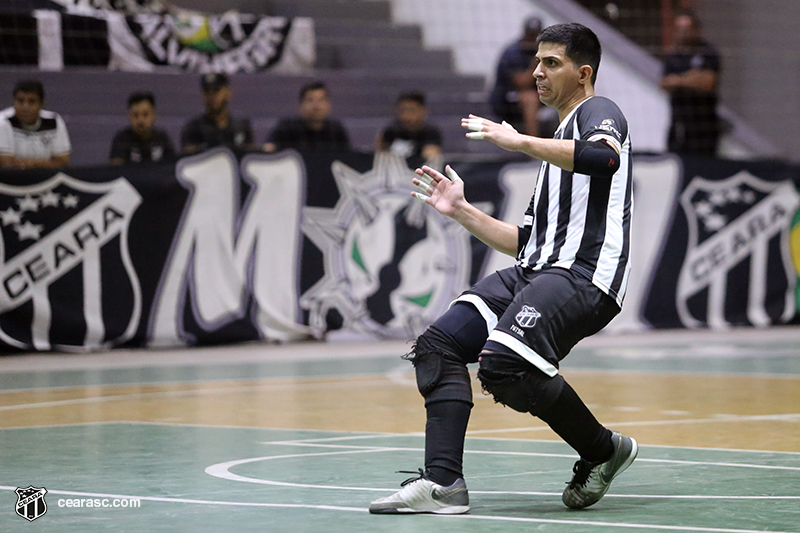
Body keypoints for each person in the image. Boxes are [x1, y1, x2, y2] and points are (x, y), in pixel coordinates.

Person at [370, 23, 636, 515]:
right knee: (437, 346)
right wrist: (460, 210)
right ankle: (443, 483)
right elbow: (526, 243)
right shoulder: (555, 144)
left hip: (582, 276)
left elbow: (605, 158)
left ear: (584, 73)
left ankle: (601, 449)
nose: (537, 71)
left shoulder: (599, 112)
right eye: (536, 62)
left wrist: (519, 142)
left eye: (551, 63)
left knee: (503, 364)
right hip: (537, 270)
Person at [660, 10, 721, 155]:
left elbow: (707, 81)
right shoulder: (673, 56)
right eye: (679, 29)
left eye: (686, 29)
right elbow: (665, 82)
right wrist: (692, 77)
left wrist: (679, 80)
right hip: (679, 123)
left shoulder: (707, 52)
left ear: (695, 30)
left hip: (704, 127)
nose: (683, 33)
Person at [489, 16, 546, 136]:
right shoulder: (512, 52)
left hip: (539, 93)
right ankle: (533, 146)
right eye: (531, 35)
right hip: (508, 97)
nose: (533, 38)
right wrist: (536, 63)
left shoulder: (544, 51)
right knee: (530, 99)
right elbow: (522, 84)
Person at [0, 79, 70, 169]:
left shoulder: (54, 121)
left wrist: (28, 163)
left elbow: (63, 162)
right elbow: (7, 165)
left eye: (31, 101)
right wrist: (45, 164)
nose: (25, 107)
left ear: (41, 104)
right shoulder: (3, 122)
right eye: (20, 101)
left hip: (46, 180)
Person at [264, 81, 351, 152]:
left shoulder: (336, 130)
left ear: (329, 105)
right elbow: (268, 149)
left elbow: (348, 158)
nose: (316, 106)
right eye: (310, 100)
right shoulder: (287, 128)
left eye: (321, 100)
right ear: (300, 105)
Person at [181, 73, 254, 154]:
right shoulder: (193, 128)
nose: (212, 96)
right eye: (207, 91)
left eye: (216, 90)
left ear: (228, 92)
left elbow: (249, 156)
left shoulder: (241, 125)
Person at [109, 91, 175, 165]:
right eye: (136, 115)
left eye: (145, 115)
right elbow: (115, 170)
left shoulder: (162, 138)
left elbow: (171, 166)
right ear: (129, 116)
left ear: (153, 115)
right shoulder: (121, 140)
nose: (140, 120)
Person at [375, 91, 442, 161]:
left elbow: (432, 157)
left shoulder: (430, 133)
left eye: (412, 110)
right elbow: (380, 156)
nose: (407, 115)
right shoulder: (390, 132)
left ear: (423, 111)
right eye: (403, 110)